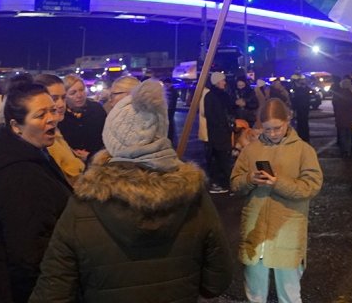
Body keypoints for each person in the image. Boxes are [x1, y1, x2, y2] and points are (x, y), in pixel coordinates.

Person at [30, 79, 233, 302]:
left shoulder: (84, 203)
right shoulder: (194, 197)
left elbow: (54, 288)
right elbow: (218, 278)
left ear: (111, 137)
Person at [0, 80, 72, 303]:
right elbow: (29, 256)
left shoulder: (33, 155)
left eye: (53, 111)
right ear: (16, 126)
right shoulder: (19, 176)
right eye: (40, 114)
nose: (52, 118)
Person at [231, 99, 323, 303]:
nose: (272, 133)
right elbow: (235, 184)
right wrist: (249, 179)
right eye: (267, 129)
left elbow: (311, 187)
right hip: (255, 230)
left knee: (289, 294)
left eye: (277, 128)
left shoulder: (303, 150)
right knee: (255, 294)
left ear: (288, 119)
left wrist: (277, 182)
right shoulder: (250, 150)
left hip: (287, 229)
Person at [34, 74, 86, 185]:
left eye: (63, 97)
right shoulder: (44, 141)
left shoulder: (56, 132)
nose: (61, 104)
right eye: (54, 99)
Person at [60, 74, 108, 161]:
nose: (79, 95)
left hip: (96, 161)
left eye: (81, 90)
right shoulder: (60, 115)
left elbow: (106, 138)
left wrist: (91, 155)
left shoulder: (97, 109)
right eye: (73, 93)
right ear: (64, 96)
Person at [203, 72, 234, 194]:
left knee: (223, 157)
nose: (224, 82)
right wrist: (222, 125)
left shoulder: (222, 95)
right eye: (222, 80)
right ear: (216, 82)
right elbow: (210, 115)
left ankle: (222, 182)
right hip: (217, 133)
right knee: (220, 158)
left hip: (222, 132)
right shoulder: (211, 96)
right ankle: (220, 183)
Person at [331, 78, 352, 158]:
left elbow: (334, 105)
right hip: (350, 117)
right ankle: (348, 150)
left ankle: (344, 151)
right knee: (349, 134)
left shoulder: (337, 95)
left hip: (340, 116)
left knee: (342, 134)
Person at [289, 76, 312, 144]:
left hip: (301, 109)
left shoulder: (300, 90)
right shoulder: (301, 89)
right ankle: (304, 138)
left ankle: (303, 138)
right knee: (303, 124)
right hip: (302, 109)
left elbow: (296, 99)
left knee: (302, 124)